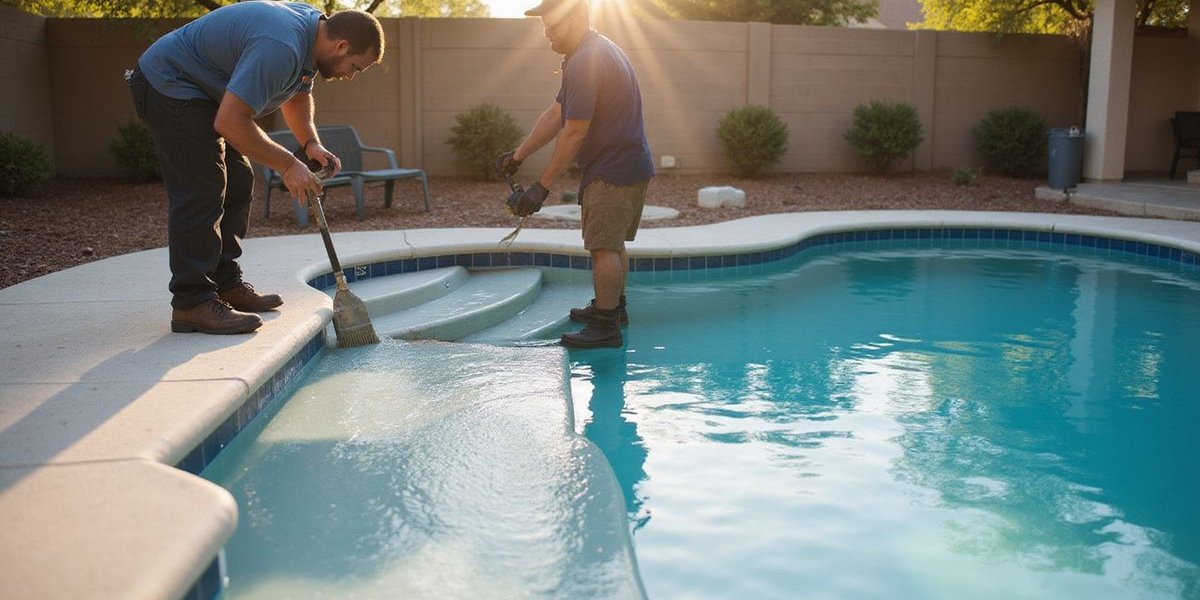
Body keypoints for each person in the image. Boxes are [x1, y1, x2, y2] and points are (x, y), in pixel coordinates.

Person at [127, 2, 384, 335]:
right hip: (168, 83)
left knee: (239, 180)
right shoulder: (281, 45)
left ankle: (224, 283)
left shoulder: (311, 38)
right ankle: (192, 302)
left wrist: (310, 144)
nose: (350, 76)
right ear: (341, 46)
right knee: (202, 188)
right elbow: (230, 120)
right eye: (355, 67)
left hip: (202, 93)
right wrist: (289, 166)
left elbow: (298, 93)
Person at [497, 0, 654, 349]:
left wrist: (541, 187)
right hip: (627, 165)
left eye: (553, 23)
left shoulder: (586, 61)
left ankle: (606, 326)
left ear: (577, 17)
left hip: (612, 170)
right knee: (611, 245)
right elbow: (557, 112)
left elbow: (573, 132)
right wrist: (519, 155)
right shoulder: (592, 51)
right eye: (544, 24)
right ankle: (613, 308)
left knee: (602, 248)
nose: (547, 30)